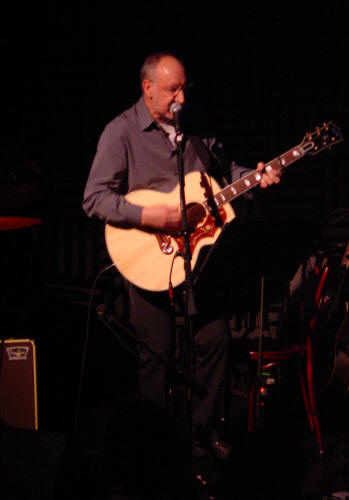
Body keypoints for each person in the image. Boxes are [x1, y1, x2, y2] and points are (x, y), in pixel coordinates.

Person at [82, 52, 281, 487]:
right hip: (147, 255)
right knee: (158, 356)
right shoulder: (121, 132)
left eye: (184, 88)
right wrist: (154, 218)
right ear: (147, 88)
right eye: (172, 89)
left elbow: (224, 172)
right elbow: (94, 199)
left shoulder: (196, 127)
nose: (181, 97)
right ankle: (154, 453)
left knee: (215, 341)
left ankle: (200, 437)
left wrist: (255, 174)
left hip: (198, 259)